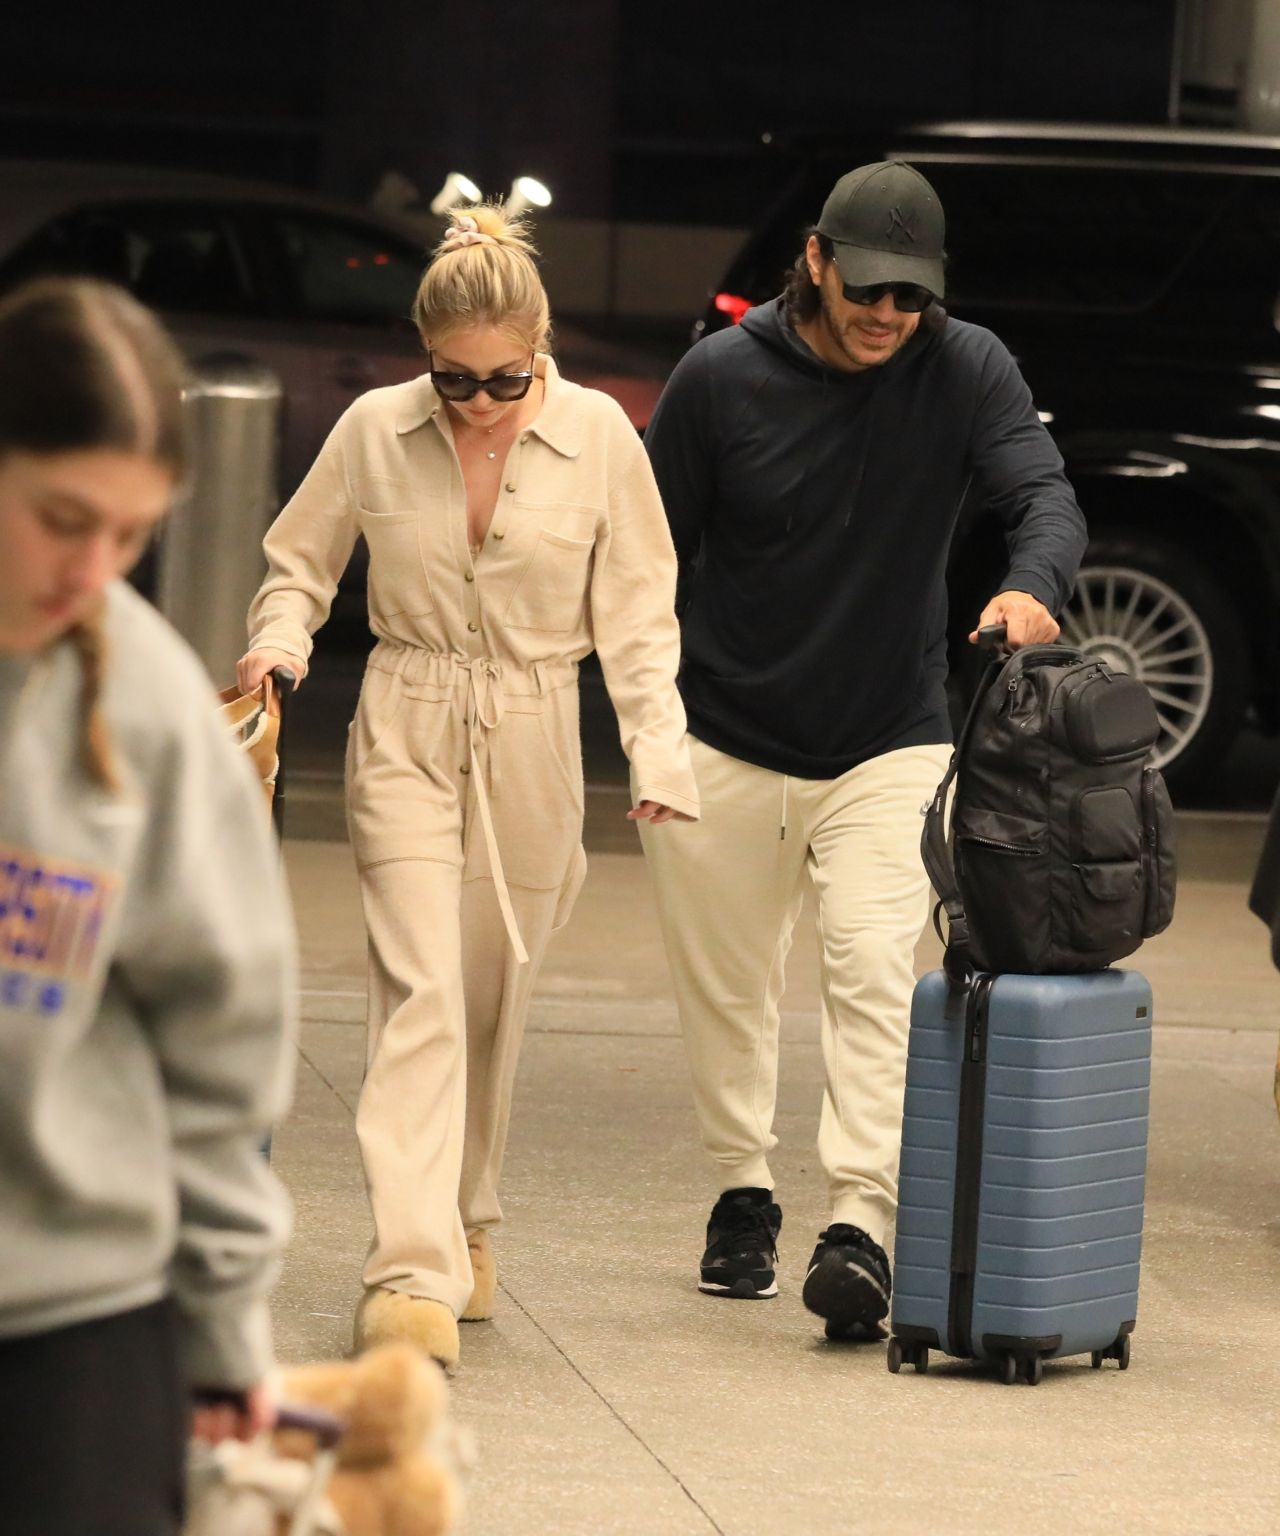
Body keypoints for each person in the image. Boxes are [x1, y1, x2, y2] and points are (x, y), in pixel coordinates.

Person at [238, 205, 697, 1374]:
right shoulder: (371, 428)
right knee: (420, 993)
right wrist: (278, 643)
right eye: (452, 380)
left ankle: (467, 1219)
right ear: (421, 356)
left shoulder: (600, 438)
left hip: (538, 722)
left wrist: (656, 755)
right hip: (405, 713)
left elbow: (639, 616)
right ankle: (408, 1270)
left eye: (503, 380)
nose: (478, 403)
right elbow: (298, 565)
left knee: (493, 997)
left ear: (540, 349)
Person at [638, 160, 1088, 1341]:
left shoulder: (964, 364)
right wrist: (643, 731)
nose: (886, 316)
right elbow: (638, 560)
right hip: (721, 737)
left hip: (890, 735)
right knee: (727, 990)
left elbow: (1044, 495)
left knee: (871, 972)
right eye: (867, 290)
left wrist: (1029, 586)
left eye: (910, 297)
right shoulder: (718, 380)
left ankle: (859, 1226)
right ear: (816, 263)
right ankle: (742, 1192)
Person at [0, 276, 296, 1534]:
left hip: (76, 1310)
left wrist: (224, 1315)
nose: (92, 570)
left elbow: (222, 1030)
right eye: (64, 518)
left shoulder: (151, 704)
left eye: (130, 536)